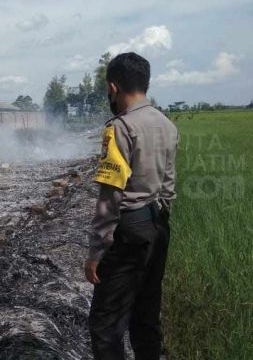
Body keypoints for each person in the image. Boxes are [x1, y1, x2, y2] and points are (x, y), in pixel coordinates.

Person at [84, 52, 178, 359]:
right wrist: (156, 223)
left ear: (113, 87)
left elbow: (110, 196)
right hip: (159, 227)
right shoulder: (167, 125)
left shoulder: (120, 129)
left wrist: (96, 251)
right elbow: (167, 186)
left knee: (106, 325)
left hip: (129, 233)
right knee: (146, 316)